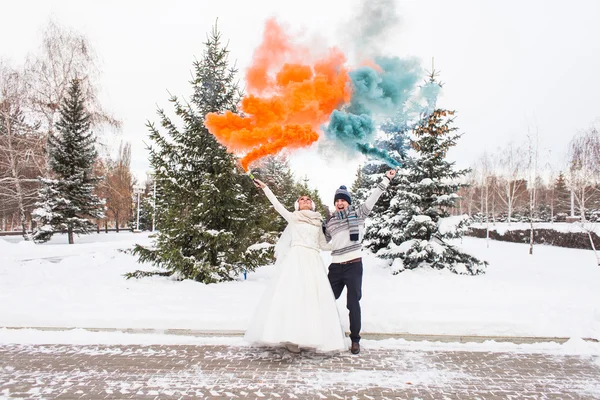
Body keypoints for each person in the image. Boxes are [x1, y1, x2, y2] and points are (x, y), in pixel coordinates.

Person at [244, 178, 347, 353]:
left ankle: (311, 336)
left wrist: (341, 243)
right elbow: (277, 205)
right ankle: (290, 337)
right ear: (297, 205)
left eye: (308, 199)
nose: (305, 200)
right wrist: (266, 188)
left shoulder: (317, 222)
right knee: (293, 296)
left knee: (312, 299)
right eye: (301, 199)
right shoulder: (293, 217)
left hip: (313, 261)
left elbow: (323, 245)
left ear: (312, 205)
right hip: (296, 260)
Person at [325, 169, 397, 354]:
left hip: (354, 266)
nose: (340, 203)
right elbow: (320, 241)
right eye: (337, 200)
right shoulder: (330, 222)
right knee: (325, 300)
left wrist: (387, 179)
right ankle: (327, 334)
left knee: (353, 303)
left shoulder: (359, 214)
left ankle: (355, 340)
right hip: (335, 268)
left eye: (343, 200)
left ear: (348, 202)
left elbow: (374, 196)